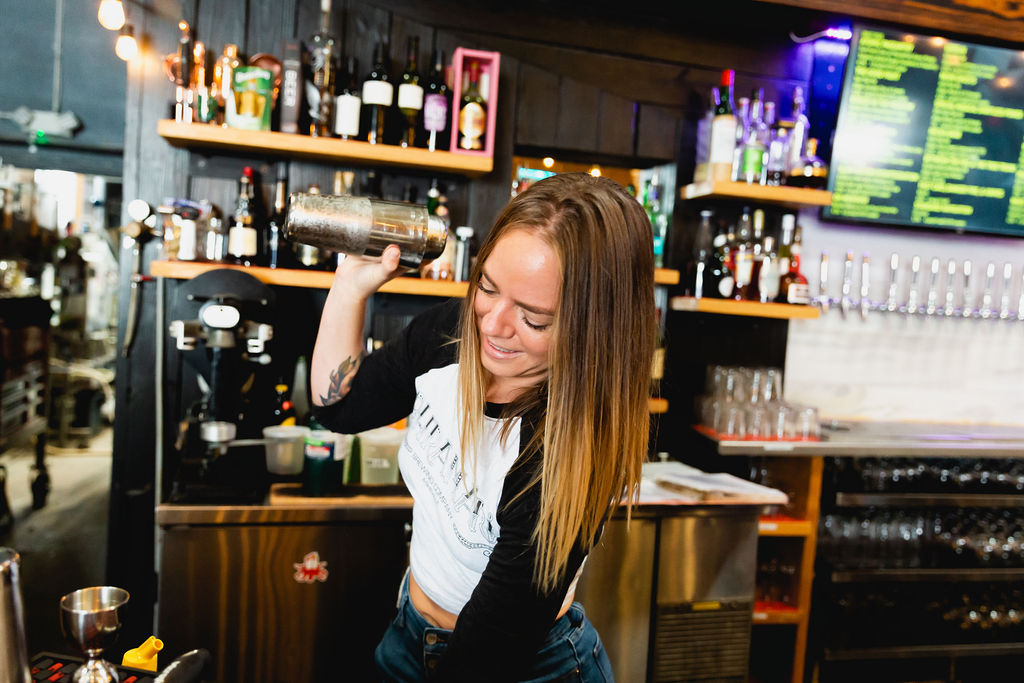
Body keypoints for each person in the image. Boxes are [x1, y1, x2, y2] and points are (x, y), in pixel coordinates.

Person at [310, 172, 656, 682]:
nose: (492, 324)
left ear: (592, 329)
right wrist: (350, 286)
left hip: (524, 666)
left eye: (534, 319)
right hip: (408, 631)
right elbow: (337, 408)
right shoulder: (449, 335)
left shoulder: (564, 452)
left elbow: (487, 650)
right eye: (488, 289)